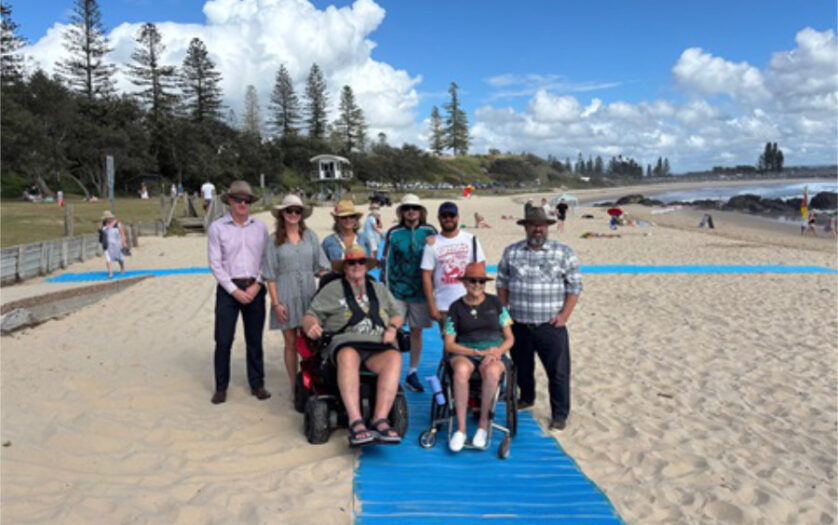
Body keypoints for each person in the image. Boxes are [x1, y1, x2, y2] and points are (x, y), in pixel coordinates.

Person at [302, 245, 405, 447]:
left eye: (360, 262)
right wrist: (311, 325)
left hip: (377, 344)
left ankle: (380, 419)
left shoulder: (379, 289)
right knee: (349, 355)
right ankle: (355, 420)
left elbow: (397, 314)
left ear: (366, 267)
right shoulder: (331, 290)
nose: (356, 266)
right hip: (345, 342)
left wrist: (392, 327)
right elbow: (310, 315)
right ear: (345, 267)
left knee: (394, 357)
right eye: (351, 262)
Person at [496, 206, 582, 431]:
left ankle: (559, 414)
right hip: (519, 323)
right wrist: (504, 312)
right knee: (522, 367)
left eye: (542, 225)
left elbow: (574, 287)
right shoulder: (511, 252)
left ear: (547, 227)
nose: (538, 229)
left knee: (558, 372)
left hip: (550, 325)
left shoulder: (563, 253)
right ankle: (526, 398)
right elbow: (502, 283)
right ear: (525, 227)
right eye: (533, 225)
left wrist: (564, 316)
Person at [207, 180, 271, 405]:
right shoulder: (217, 228)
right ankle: (221, 387)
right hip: (228, 289)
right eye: (238, 200)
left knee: (254, 340)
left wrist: (257, 284)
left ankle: (257, 384)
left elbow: (267, 259)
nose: (242, 203)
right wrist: (234, 291)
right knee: (223, 340)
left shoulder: (260, 227)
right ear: (230, 202)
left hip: (255, 286)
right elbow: (215, 264)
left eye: (246, 200)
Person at [443, 263, 514, 452]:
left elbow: (509, 338)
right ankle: (461, 428)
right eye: (473, 280)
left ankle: (483, 426)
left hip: (493, 351)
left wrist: (496, 352)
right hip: (465, 351)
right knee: (461, 370)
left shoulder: (496, 303)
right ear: (465, 282)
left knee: (491, 372)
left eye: (481, 281)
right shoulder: (455, 307)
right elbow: (449, 344)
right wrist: (476, 353)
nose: (477, 284)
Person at [263, 194, 330, 392]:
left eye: (297, 211)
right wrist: (276, 304)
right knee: (290, 343)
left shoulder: (310, 237)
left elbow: (322, 267)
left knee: (311, 342)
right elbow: (270, 275)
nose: (293, 214)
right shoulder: (273, 240)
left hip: (309, 296)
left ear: (302, 214)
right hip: (285, 296)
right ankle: (295, 386)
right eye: (289, 211)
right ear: (282, 214)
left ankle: (311, 381)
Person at [383, 194, 437, 392]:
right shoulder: (394, 233)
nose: (411, 211)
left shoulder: (430, 231)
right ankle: (392, 371)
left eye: (414, 207)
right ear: (401, 212)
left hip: (421, 292)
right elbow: (387, 262)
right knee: (394, 330)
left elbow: (438, 259)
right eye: (407, 208)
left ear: (421, 211)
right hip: (397, 291)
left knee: (416, 331)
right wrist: (388, 292)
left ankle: (412, 372)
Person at [421, 201, 486, 332]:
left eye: (451, 215)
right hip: (445, 304)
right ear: (439, 219)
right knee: (448, 344)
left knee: (472, 340)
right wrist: (432, 305)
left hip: (470, 301)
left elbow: (481, 268)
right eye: (444, 216)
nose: (448, 219)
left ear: (457, 218)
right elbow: (426, 275)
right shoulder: (432, 243)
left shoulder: (470, 239)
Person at [100, 210, 127, 279]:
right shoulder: (104, 224)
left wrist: (124, 242)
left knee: (119, 258)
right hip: (107, 244)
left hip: (117, 243)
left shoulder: (117, 224)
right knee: (108, 258)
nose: (107, 219)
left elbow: (122, 234)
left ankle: (122, 267)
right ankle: (110, 273)